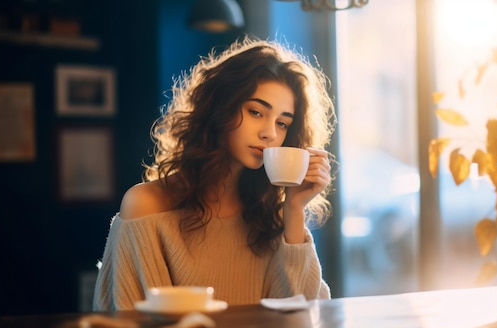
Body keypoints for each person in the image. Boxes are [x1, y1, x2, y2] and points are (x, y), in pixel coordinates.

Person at [93, 36, 336, 311]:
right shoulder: (148, 207)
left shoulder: (273, 218)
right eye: (256, 112)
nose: (270, 133)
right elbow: (133, 326)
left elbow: (304, 319)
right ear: (220, 107)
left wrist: (294, 209)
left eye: (282, 123)